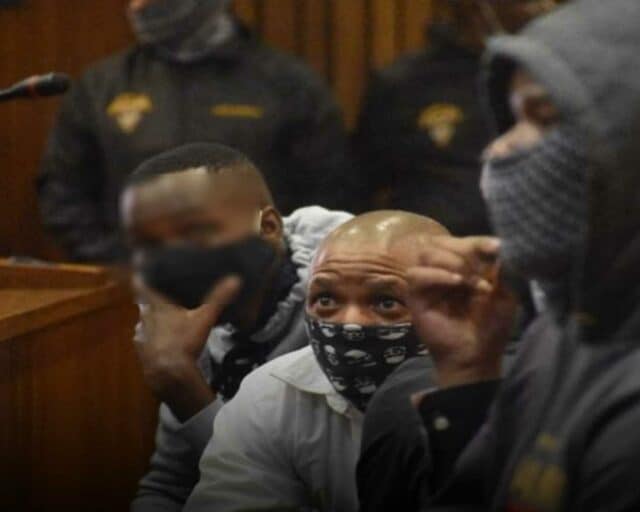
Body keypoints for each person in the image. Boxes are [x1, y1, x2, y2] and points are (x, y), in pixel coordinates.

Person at [406, 0, 640, 510]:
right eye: (513, 118)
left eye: (545, 117)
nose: (498, 151)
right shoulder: (574, 321)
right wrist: (468, 375)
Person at [122, 142, 351, 511]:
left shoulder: (347, 314)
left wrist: (182, 385)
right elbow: (170, 484)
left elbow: (304, 495)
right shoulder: (187, 318)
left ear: (268, 228)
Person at [38, 0, 350, 263]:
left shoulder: (288, 86)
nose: (139, 5)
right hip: (133, 288)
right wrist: (121, 262)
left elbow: (331, 193)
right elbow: (62, 192)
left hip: (260, 288)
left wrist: (274, 264)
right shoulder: (100, 87)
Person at [183, 211, 447, 512]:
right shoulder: (271, 394)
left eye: (386, 302)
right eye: (326, 299)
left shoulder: (487, 399)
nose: (349, 322)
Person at [354, 0, 561, 236]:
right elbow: (359, 191)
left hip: (546, 247)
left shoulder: (563, 73)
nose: (543, 6)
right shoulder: (402, 84)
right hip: (433, 252)